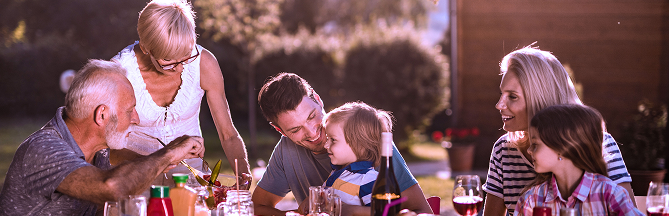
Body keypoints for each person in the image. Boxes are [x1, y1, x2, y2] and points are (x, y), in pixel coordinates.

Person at [0, 60, 204, 215]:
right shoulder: (42, 150)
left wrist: (165, 157)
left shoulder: (99, 150)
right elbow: (113, 187)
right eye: (129, 110)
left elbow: (126, 163)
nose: (136, 118)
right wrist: (167, 155)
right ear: (102, 115)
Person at [110, 0, 250, 184]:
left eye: (186, 55)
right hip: (136, 182)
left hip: (191, 183)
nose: (180, 68)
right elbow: (106, 150)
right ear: (145, 49)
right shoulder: (118, 73)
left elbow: (228, 135)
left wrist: (243, 176)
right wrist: (162, 160)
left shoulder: (204, 63)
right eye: (168, 60)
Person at [483, 46, 634, 216]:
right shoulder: (504, 150)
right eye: (502, 94)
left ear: (540, 98)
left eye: (512, 96)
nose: (499, 105)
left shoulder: (599, 143)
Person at [253, 73, 432, 216]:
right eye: (295, 129)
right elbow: (257, 207)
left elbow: (420, 210)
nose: (312, 132)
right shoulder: (286, 151)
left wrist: (351, 211)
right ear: (280, 130)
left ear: (317, 99)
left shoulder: (365, 138)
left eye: (311, 116)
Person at [514, 105, 642, 215]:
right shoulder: (531, 200)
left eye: (535, 144)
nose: (529, 150)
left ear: (561, 148)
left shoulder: (610, 195)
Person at [320, 102, 392, 207]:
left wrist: (352, 211)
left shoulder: (368, 179)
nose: (326, 145)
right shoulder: (337, 173)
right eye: (327, 139)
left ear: (360, 144)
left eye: (333, 140)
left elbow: (382, 212)